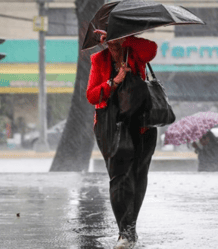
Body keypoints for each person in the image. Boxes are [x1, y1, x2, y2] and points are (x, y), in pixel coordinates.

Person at [86, 29, 158, 249]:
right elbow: (91, 95)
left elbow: (152, 49)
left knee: (138, 177)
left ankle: (130, 229)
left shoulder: (135, 52)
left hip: (142, 125)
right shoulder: (99, 60)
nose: (112, 47)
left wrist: (125, 38)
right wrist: (114, 81)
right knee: (119, 178)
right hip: (111, 126)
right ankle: (124, 233)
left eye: (114, 41)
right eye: (108, 42)